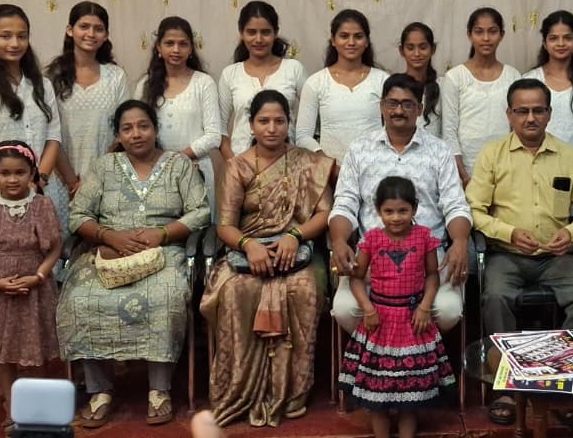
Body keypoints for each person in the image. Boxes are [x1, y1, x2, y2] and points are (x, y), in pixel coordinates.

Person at [56, 100, 210, 428]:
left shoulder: (179, 165)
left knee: (165, 296)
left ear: (155, 129)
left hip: (164, 252)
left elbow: (200, 211)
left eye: (143, 126)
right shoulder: (104, 167)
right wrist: (109, 236)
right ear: (118, 135)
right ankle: (99, 390)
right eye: (127, 128)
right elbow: (78, 215)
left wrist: (162, 233)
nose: (136, 134)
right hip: (110, 252)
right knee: (79, 298)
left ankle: (159, 389)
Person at [466, 78, 573, 428]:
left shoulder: (570, 155)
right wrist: (508, 232)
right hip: (506, 256)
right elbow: (474, 210)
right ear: (509, 115)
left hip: (557, 258)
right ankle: (507, 387)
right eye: (522, 111)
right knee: (495, 296)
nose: (530, 118)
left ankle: (564, 386)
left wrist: (570, 233)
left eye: (538, 110)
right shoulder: (492, 154)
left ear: (549, 114)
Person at [201, 90, 334, 427]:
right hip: (247, 252)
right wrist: (249, 245)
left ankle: (291, 391)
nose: (272, 128)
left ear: (289, 124)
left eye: (279, 121)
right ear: (251, 125)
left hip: (298, 252)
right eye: (263, 121)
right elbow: (225, 226)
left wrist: (295, 235)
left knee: (303, 288)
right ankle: (242, 390)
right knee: (236, 291)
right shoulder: (237, 166)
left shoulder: (309, 162)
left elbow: (325, 213)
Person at [329, 74, 472, 334]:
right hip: (372, 257)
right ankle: (382, 355)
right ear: (381, 107)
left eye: (407, 104)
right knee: (345, 309)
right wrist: (339, 241)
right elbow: (344, 204)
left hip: (428, 258)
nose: (398, 111)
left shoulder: (439, 151)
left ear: (419, 109)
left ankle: (413, 355)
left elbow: (456, 205)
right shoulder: (360, 150)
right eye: (392, 103)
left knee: (448, 310)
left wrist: (461, 242)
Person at [0, 4, 66, 318]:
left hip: (42, 190)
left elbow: (54, 137)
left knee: (43, 271)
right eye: (5, 36)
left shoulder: (41, 85)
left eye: (22, 36)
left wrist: (39, 181)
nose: (14, 43)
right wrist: (17, 186)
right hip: (0, 193)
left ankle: (42, 339)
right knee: (4, 276)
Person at [339, 177, 456, 438]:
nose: (396, 218)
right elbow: (356, 278)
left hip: (413, 322)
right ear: (378, 211)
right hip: (379, 322)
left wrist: (425, 307)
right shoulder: (371, 240)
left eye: (403, 210)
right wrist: (368, 309)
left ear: (415, 208)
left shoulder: (424, 237)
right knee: (377, 399)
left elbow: (432, 275)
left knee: (409, 402)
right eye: (389, 211)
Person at [0, 140, 61, 434]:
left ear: (32, 173)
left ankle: (37, 410)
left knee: (36, 351)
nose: (12, 180)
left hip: (36, 288)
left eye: (20, 172)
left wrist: (39, 276)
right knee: (6, 354)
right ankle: (12, 410)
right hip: (3, 291)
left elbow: (54, 248)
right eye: (5, 173)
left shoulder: (42, 206)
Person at [135, 16, 223, 219]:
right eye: (169, 43)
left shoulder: (204, 83)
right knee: (158, 228)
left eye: (183, 44)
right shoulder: (145, 85)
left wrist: (175, 160)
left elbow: (213, 136)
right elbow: (135, 128)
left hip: (196, 170)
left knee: (198, 229)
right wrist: (157, 163)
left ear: (191, 48)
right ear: (158, 47)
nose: (176, 50)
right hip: (152, 172)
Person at [45, 1, 130, 199]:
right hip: (60, 180)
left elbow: (123, 130)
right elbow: (49, 133)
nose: (91, 34)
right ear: (70, 30)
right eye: (84, 26)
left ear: (106, 35)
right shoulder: (51, 77)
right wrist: (72, 181)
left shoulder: (116, 76)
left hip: (107, 178)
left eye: (98, 29)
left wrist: (95, 178)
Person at [295, 9, 390, 160]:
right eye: (344, 36)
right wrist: (328, 164)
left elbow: (394, 130)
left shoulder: (382, 80)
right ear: (333, 40)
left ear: (367, 41)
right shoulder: (316, 83)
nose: (351, 42)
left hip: (375, 167)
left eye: (358, 36)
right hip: (331, 171)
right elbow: (302, 136)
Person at [219, 0, 306, 160]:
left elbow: (311, 120)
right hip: (242, 163)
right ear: (241, 33)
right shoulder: (230, 74)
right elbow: (220, 129)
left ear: (276, 33)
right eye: (251, 32)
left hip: (287, 164)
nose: (258, 39)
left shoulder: (294, 69)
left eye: (265, 32)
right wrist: (235, 164)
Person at [442, 7, 521, 182]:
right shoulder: (455, 77)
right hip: (465, 171)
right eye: (479, 32)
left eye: (492, 31)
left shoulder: (513, 76)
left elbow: (517, 128)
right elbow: (449, 131)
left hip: (505, 170)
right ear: (469, 35)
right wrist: (463, 176)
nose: (486, 38)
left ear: (502, 35)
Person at [524, 10, 573, 160]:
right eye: (553, 38)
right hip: (538, 164)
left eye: (567, 38)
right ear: (544, 43)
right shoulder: (530, 80)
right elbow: (522, 126)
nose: (561, 43)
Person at [398, 22, 443, 138]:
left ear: (433, 49)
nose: (417, 54)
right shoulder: (396, 87)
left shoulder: (443, 86)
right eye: (410, 48)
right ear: (401, 51)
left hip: (437, 148)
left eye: (423, 47)